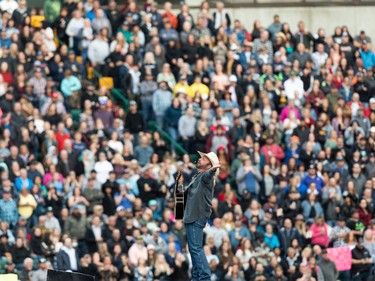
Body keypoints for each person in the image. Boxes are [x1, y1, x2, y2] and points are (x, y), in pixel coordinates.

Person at [177, 151, 221, 280]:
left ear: (209, 165)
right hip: (192, 216)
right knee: (193, 249)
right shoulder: (196, 177)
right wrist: (179, 185)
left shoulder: (205, 176)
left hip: (196, 216)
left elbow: (209, 175)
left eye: (204, 158)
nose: (200, 159)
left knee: (195, 248)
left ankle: (204, 277)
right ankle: (196, 277)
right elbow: (184, 196)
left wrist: (213, 170)